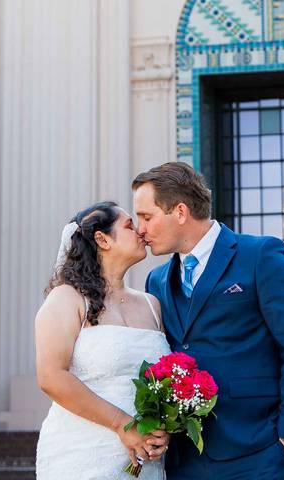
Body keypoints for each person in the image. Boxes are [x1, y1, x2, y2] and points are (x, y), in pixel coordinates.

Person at [134, 162, 284, 480]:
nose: (140, 229)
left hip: (258, 452)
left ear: (180, 211)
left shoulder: (261, 256)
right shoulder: (156, 280)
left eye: (146, 217)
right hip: (184, 459)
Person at [35, 201, 171, 479]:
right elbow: (50, 376)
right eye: (130, 226)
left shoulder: (152, 305)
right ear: (102, 239)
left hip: (145, 458)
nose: (141, 231)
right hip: (83, 452)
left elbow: (164, 380)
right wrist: (123, 426)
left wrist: (162, 429)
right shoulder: (67, 299)